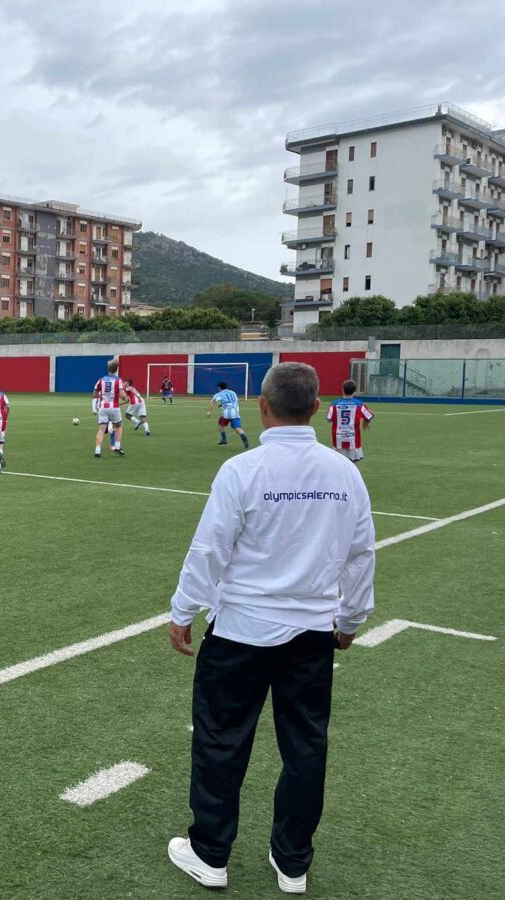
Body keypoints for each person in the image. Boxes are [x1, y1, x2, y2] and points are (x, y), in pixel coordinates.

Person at [165, 362, 376, 895]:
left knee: (220, 740)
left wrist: (183, 611)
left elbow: (209, 549)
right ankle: (293, 862)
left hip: (239, 631)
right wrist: (351, 619)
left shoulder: (242, 470)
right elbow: (361, 555)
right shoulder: (344, 473)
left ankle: (210, 853)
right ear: (318, 408)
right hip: (311, 635)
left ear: (261, 407)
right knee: (306, 747)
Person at [326, 380, 374, 464]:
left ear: (342, 389)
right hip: (353, 439)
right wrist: (365, 421)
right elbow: (370, 416)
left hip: (338, 439)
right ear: (354, 391)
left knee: (339, 463)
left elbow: (329, 418)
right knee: (352, 465)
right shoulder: (359, 404)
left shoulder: (334, 404)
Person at [93, 359, 125, 457]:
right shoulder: (118, 380)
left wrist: (102, 396)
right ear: (116, 369)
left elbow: (94, 395)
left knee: (101, 429)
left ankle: (97, 450)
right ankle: (117, 447)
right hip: (114, 407)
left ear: (108, 368)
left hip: (103, 407)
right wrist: (126, 398)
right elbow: (122, 395)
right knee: (118, 426)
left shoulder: (101, 380)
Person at [206, 381, 250, 449]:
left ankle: (224, 439)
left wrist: (209, 412)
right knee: (237, 428)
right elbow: (232, 401)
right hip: (235, 413)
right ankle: (243, 436)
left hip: (226, 414)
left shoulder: (218, 394)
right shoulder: (233, 392)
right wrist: (222, 404)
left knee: (220, 423)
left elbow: (212, 402)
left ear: (219, 388)